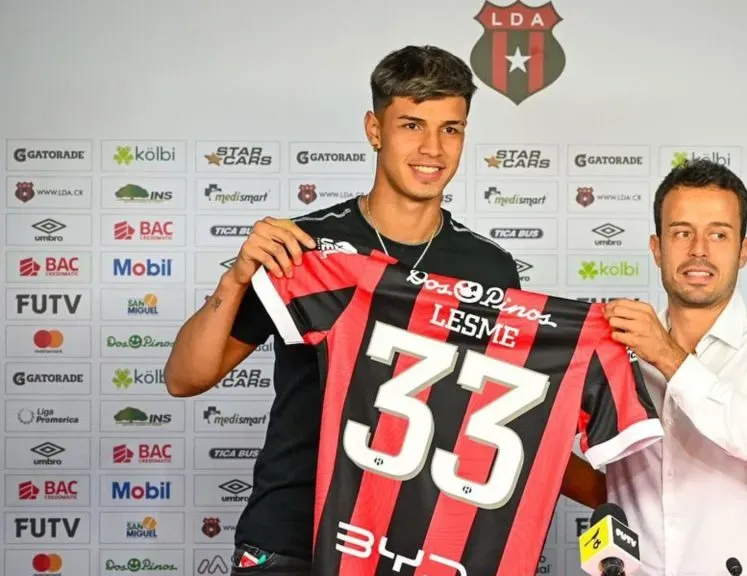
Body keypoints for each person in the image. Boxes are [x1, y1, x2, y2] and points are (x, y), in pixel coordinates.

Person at [163, 45, 600, 574]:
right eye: (412, 125)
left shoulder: (488, 268)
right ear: (375, 129)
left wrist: (626, 493)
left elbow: (510, 417)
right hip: (293, 538)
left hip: (412, 544)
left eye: (451, 128)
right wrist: (235, 279)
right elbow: (185, 378)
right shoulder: (307, 249)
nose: (432, 148)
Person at [601, 158, 747, 576]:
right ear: (657, 248)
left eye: (718, 235)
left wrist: (666, 355)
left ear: (743, 251)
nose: (699, 250)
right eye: (681, 233)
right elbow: (611, 478)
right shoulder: (618, 347)